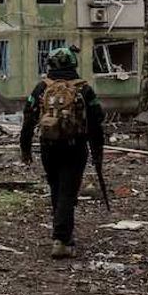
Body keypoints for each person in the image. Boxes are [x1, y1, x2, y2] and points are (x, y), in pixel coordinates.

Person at [20, 46, 105, 259]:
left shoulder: (41, 88)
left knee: (57, 188)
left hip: (48, 147)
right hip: (75, 147)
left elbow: (28, 117)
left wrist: (25, 148)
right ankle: (61, 240)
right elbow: (97, 119)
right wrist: (97, 151)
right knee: (68, 191)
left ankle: (61, 233)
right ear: (73, 63)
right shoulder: (84, 89)